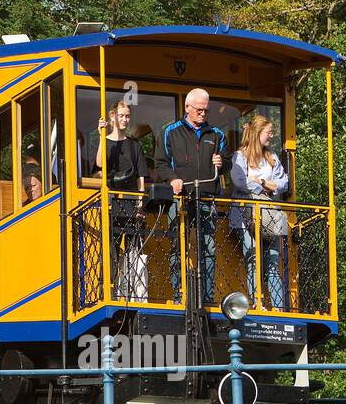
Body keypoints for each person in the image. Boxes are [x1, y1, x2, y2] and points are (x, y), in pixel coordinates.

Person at [155, 88, 227, 303]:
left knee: (208, 248)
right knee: (177, 244)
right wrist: (172, 178)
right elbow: (160, 163)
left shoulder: (216, 134)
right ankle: (179, 294)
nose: (203, 114)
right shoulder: (170, 132)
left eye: (206, 110)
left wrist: (222, 163)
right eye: (199, 110)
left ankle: (207, 296)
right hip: (180, 198)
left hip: (206, 198)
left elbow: (228, 162)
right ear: (187, 107)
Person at [87, 100, 150, 300]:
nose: (124, 119)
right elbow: (98, 164)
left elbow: (141, 176)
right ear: (112, 117)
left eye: (127, 116)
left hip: (131, 202)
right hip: (112, 202)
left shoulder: (134, 145)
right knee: (112, 249)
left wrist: (141, 202)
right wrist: (100, 136)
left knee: (133, 249)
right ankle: (110, 291)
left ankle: (133, 293)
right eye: (121, 115)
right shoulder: (106, 142)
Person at [229, 116, 290, 309]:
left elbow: (284, 183)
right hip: (244, 216)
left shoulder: (271, 158)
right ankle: (258, 302)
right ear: (257, 133)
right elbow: (240, 181)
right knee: (253, 258)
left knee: (272, 260)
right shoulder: (240, 156)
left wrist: (261, 182)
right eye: (269, 132)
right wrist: (264, 188)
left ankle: (278, 307)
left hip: (269, 215)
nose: (271, 136)